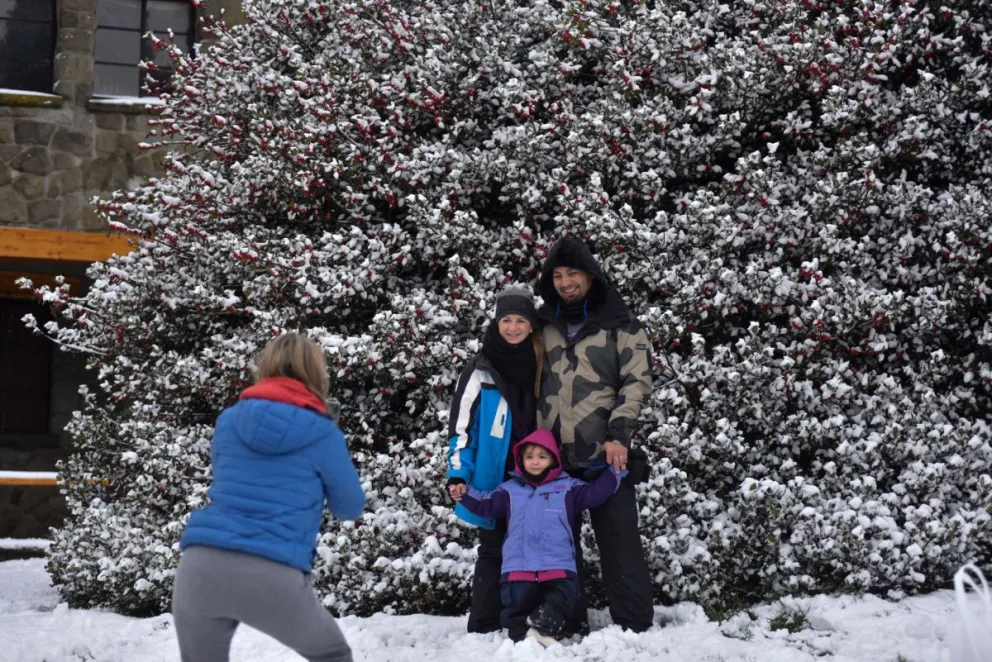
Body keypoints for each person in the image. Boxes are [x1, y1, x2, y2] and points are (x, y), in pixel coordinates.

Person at [173, 333, 365, 662]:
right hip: (273, 570)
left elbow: (225, 476)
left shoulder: (230, 420)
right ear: (317, 374)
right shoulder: (322, 432)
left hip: (201, 567)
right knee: (332, 654)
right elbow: (349, 506)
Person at [536, 235, 655, 634]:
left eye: (572, 274)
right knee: (559, 549)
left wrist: (619, 433)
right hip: (553, 460)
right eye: (558, 275)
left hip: (607, 455)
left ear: (589, 275)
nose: (565, 282)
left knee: (620, 545)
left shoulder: (621, 323)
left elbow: (637, 382)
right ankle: (569, 623)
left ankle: (634, 628)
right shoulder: (542, 325)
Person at [450, 429, 626, 645]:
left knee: (563, 600)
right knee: (515, 611)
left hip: (557, 565)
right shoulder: (509, 490)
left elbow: (595, 493)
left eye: (542, 457)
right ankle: (524, 641)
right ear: (520, 460)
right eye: (529, 457)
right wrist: (463, 494)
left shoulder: (568, 487)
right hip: (518, 568)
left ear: (552, 459)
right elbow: (486, 505)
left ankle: (540, 629)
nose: (535, 462)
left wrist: (614, 472)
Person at [445, 285, 542, 633]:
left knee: (539, 548)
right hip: (495, 477)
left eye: (520, 320)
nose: (513, 327)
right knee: (493, 548)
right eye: (506, 320)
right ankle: (485, 624)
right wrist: (458, 473)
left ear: (532, 324)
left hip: (537, 474)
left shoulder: (545, 364)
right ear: (496, 323)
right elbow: (462, 430)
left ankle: (536, 620)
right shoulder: (480, 368)